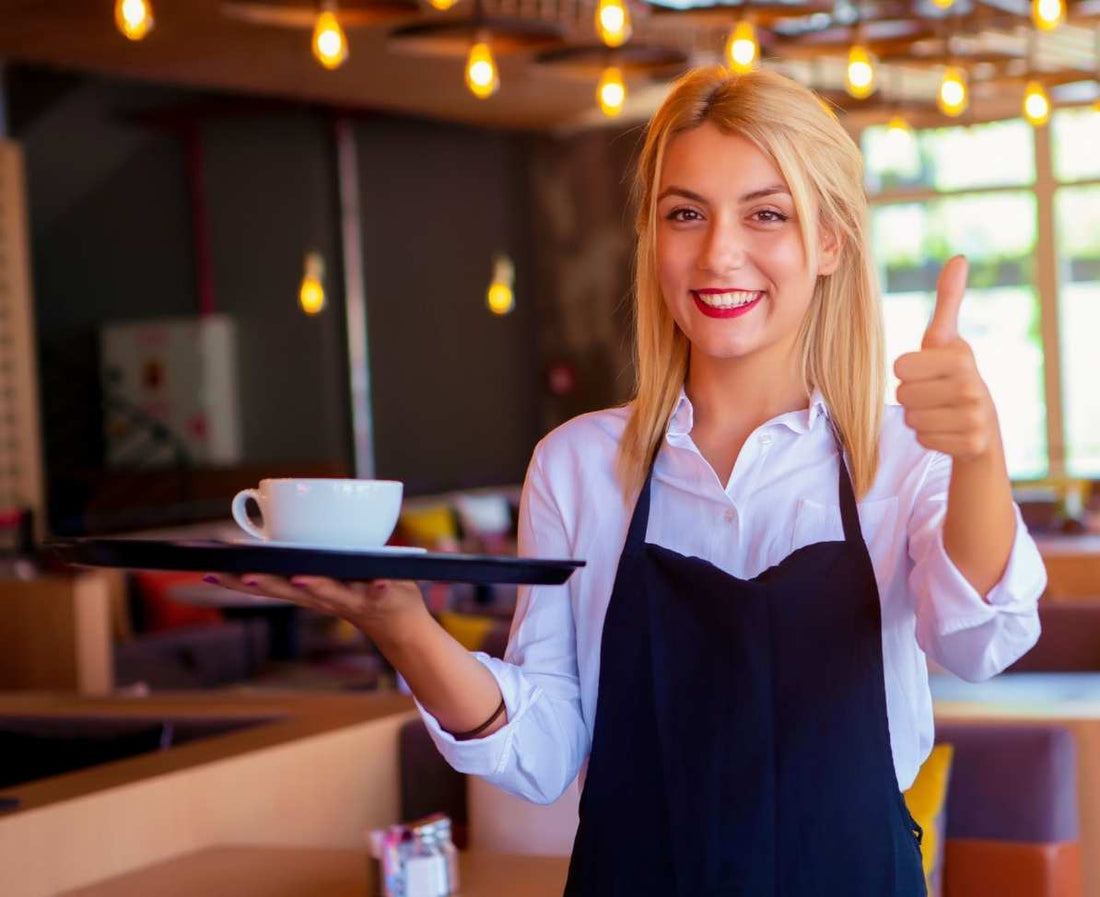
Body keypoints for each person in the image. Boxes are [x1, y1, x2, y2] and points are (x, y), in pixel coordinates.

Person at [211, 66, 1047, 894]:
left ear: (829, 241)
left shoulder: (901, 450)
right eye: (686, 213)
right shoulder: (576, 464)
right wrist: (404, 627)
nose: (720, 252)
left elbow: (977, 643)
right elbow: (543, 755)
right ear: (653, 236)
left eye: (767, 213)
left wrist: (977, 454)